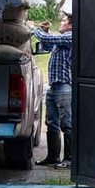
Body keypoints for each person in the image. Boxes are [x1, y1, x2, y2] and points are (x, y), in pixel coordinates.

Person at [32, 13, 73, 168]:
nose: (60, 23)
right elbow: (48, 45)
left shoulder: (70, 37)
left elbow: (48, 40)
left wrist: (35, 29)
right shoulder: (61, 39)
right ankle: (53, 157)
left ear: (71, 25)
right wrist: (45, 31)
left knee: (66, 122)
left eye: (63, 21)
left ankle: (69, 159)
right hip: (54, 86)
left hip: (64, 86)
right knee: (51, 122)